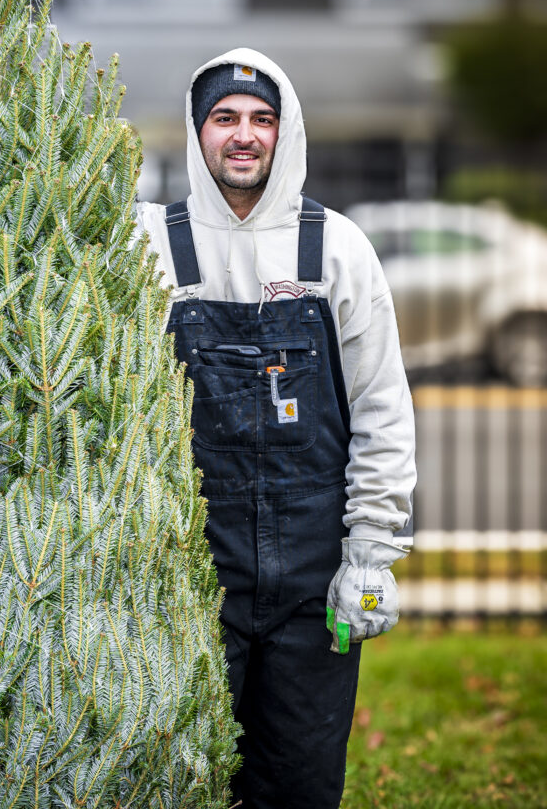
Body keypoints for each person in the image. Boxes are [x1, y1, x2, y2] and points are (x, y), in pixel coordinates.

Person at [137, 49, 416, 808]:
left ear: (285, 133)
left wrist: (371, 554)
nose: (244, 134)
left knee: (299, 776)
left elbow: (381, 405)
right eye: (225, 117)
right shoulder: (148, 248)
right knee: (189, 773)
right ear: (198, 133)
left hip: (312, 572)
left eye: (263, 119)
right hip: (189, 565)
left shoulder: (337, 249)